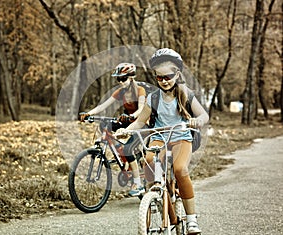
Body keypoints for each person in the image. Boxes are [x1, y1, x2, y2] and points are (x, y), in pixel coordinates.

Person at [117, 48, 209, 234]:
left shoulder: (184, 92)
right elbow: (140, 121)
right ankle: (154, 196)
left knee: (180, 169)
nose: (164, 81)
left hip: (181, 137)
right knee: (149, 161)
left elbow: (203, 115)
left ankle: (191, 220)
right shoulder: (153, 98)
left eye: (168, 76)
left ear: (177, 74)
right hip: (159, 138)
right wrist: (125, 131)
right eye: (160, 78)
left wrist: (197, 120)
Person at [80, 62, 146, 196]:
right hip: (127, 120)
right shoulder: (120, 91)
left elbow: (141, 109)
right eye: (118, 79)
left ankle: (138, 182)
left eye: (123, 79)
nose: (120, 82)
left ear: (131, 77)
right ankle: (119, 152)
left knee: (128, 148)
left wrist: (131, 116)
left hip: (141, 123)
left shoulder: (140, 90)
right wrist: (89, 113)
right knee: (105, 125)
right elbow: (103, 105)